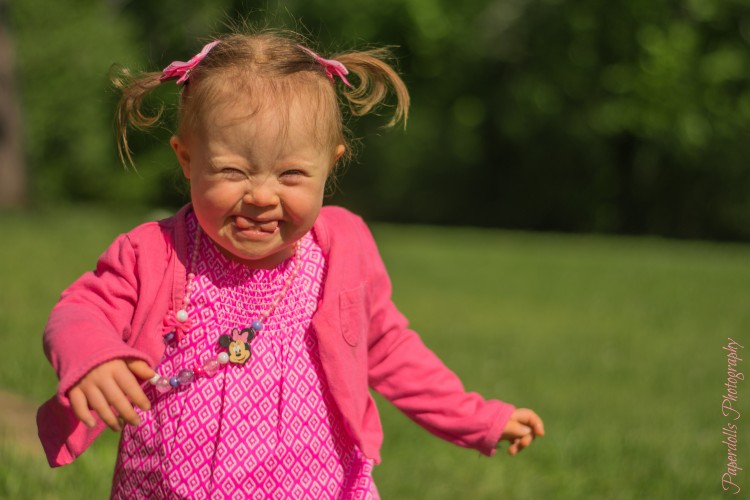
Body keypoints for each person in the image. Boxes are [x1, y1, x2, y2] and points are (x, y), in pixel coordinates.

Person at [37, 28, 545, 499]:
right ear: (187, 159)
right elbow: (78, 311)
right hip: (174, 485)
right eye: (232, 170)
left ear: (332, 164)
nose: (261, 195)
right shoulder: (154, 252)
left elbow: (389, 347)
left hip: (316, 484)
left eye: (292, 174)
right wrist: (93, 357)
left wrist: (476, 419)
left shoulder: (340, 249)